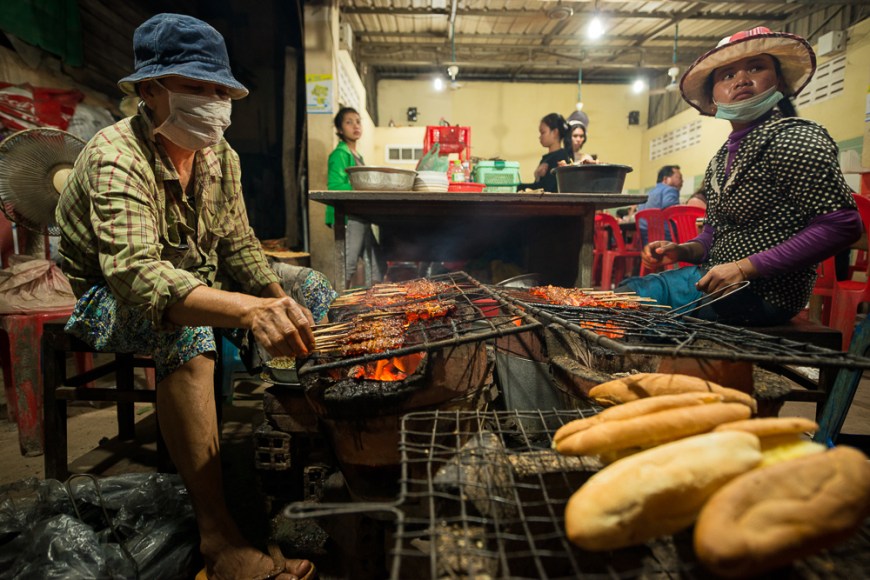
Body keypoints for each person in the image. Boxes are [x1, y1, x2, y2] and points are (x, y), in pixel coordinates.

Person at [54, 14, 320, 580]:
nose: (214, 103)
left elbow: (240, 244)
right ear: (150, 90)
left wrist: (279, 301)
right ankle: (219, 540)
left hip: (189, 274)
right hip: (104, 294)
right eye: (195, 88)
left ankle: (306, 457)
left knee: (313, 289)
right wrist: (250, 310)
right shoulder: (116, 156)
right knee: (188, 331)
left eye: (220, 90)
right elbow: (135, 279)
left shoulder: (221, 155)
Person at [621, 26, 862, 327]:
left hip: (764, 295)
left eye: (756, 67)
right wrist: (681, 250)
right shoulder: (721, 158)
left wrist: (745, 268)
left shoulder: (793, 138)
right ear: (713, 98)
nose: (742, 80)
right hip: (720, 282)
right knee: (627, 294)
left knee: (628, 299)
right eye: (727, 75)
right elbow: (713, 236)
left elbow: (842, 225)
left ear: (780, 81)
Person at [326, 107, 383, 287]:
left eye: (358, 121)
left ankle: (376, 304)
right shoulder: (339, 154)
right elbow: (334, 186)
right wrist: (363, 188)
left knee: (377, 264)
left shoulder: (357, 156)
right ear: (340, 130)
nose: (355, 126)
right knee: (347, 266)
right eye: (349, 122)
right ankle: (334, 308)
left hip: (360, 215)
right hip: (348, 215)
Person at [521, 112, 572, 192]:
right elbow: (540, 187)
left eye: (543, 132)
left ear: (555, 132)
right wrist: (537, 177)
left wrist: (517, 186)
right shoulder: (547, 158)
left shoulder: (561, 157)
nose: (540, 136)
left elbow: (546, 189)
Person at [635, 165, 684, 244]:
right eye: (679, 177)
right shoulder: (670, 189)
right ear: (665, 179)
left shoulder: (648, 193)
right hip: (665, 239)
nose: (682, 181)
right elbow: (673, 211)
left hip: (645, 239)